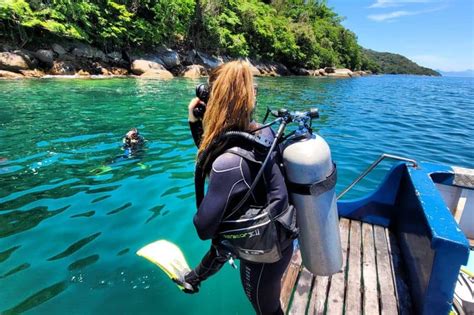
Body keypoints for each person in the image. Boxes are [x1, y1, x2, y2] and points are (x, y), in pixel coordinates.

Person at [184, 60, 296, 315]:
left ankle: (195, 277)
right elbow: (214, 150)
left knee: (267, 310)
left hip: (262, 257)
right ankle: (194, 278)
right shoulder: (264, 134)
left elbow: (204, 228)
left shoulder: (228, 164)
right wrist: (194, 122)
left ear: (214, 99)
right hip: (282, 235)